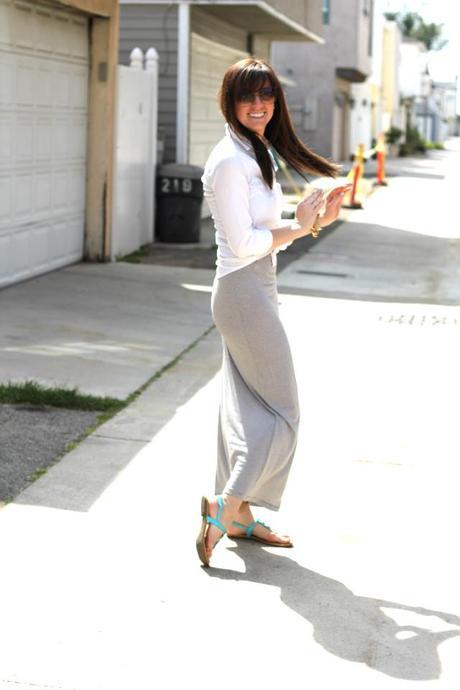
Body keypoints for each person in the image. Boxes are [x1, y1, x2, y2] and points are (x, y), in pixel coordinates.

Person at [196, 57, 350, 567]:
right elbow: (243, 245)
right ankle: (226, 505)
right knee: (283, 413)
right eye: (247, 96)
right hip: (243, 293)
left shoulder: (253, 151)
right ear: (231, 102)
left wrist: (313, 221)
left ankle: (237, 516)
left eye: (266, 95)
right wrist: (300, 226)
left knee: (241, 408)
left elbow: (266, 236)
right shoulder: (228, 161)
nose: (258, 105)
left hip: (252, 288)